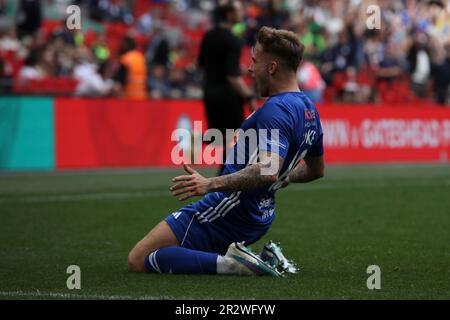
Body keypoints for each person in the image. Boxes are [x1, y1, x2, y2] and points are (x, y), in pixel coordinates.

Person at [127, 26, 325, 276]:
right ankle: (257, 257)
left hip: (229, 208)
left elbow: (268, 169)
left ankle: (238, 263)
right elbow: (317, 169)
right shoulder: (309, 110)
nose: (250, 69)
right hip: (259, 215)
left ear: (272, 67)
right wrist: (287, 176)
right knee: (180, 254)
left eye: (254, 61)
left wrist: (209, 184)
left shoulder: (277, 109)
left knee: (139, 258)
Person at [198, 0, 256, 173]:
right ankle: (224, 180)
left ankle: (222, 177)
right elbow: (232, 78)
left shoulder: (208, 35)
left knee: (220, 137)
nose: (242, 13)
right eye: (238, 10)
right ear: (229, 15)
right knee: (234, 138)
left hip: (210, 92)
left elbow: (202, 64)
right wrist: (249, 96)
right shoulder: (232, 40)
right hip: (228, 97)